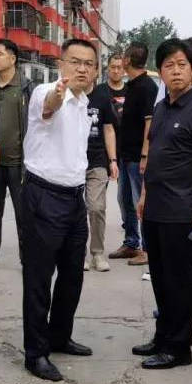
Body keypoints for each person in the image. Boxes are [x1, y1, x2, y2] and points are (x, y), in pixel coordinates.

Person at [132, 39, 192, 370]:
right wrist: (144, 196)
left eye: (182, 64)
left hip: (183, 210)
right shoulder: (160, 109)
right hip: (155, 208)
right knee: (159, 277)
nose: (176, 71)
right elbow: (153, 157)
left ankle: (179, 348)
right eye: (169, 65)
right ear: (161, 71)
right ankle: (163, 337)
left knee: (180, 281)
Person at [20, 38, 99, 382]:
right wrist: (58, 92)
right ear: (61, 64)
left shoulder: (84, 103)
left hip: (74, 198)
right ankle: (35, 353)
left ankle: (59, 335)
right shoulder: (46, 92)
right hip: (44, 196)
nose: (82, 68)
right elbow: (50, 105)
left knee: (72, 274)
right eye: (75, 61)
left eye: (88, 64)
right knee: (39, 277)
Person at [0, 38, 34, 273]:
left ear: (13, 58)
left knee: (24, 215)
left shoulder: (26, 88)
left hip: (19, 163)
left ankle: (28, 258)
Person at [109, 43, 157, 266]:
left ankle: (147, 249)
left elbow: (150, 123)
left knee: (142, 203)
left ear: (127, 60)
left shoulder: (147, 87)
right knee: (125, 200)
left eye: (123, 57)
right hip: (126, 156)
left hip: (139, 157)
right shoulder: (132, 86)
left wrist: (145, 156)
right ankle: (131, 243)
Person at [84, 73, 119, 273]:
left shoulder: (102, 98)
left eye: (88, 65)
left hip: (97, 161)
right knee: (75, 211)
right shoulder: (67, 96)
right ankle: (78, 253)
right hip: (72, 163)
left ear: (95, 72)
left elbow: (109, 130)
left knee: (97, 207)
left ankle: (97, 253)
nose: (83, 70)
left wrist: (113, 160)